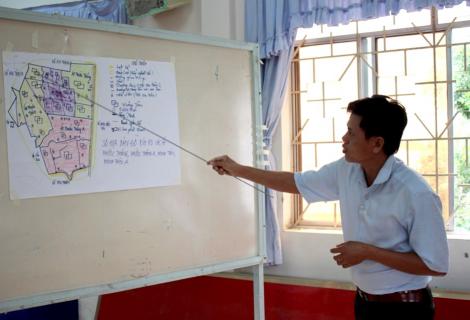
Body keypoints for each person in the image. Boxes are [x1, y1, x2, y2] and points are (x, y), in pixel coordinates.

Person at [208, 95, 448, 320]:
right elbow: (294, 182)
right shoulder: (347, 170)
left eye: (351, 133)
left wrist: (367, 252)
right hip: (365, 302)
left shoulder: (415, 193)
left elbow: (435, 265)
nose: (343, 139)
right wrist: (237, 169)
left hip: (405, 309)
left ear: (377, 143)